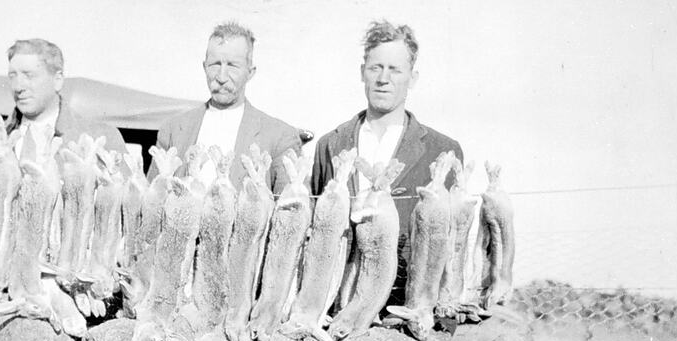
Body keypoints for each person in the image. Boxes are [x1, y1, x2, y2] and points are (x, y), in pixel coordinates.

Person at [0, 38, 128, 259]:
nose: (18, 86)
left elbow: (126, 216)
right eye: (12, 76)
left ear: (57, 80)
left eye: (29, 75)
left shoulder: (99, 137)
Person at [310, 20, 463, 307]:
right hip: (335, 305)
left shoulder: (442, 151)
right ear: (362, 73)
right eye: (376, 68)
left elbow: (451, 245)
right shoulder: (330, 145)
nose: (383, 78)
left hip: (404, 307)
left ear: (412, 78)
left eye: (395, 69)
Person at [148, 21, 302, 193]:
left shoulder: (280, 137)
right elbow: (151, 200)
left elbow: (291, 206)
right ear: (204, 67)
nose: (221, 77)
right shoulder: (172, 130)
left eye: (232, 65)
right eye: (215, 64)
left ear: (250, 72)